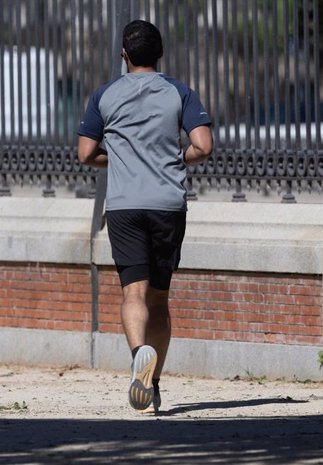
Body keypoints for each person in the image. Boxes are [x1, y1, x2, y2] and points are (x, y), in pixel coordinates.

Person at [77, 19, 213, 414]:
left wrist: (117, 157)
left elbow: (85, 153)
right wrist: (176, 157)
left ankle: (139, 352)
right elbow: (202, 147)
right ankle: (153, 386)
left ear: (124, 54)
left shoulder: (104, 95)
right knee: (159, 299)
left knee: (132, 293)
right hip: (167, 204)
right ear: (161, 53)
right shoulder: (180, 92)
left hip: (124, 205)